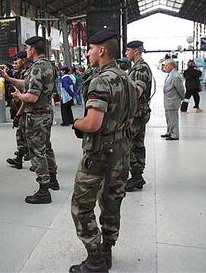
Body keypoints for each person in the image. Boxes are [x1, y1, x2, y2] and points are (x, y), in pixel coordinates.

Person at [70, 29, 137, 273]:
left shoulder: (101, 80)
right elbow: (131, 118)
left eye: (90, 49)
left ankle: (95, 260)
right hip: (121, 150)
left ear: (101, 50)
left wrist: (76, 123)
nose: (87, 53)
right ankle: (107, 251)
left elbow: (92, 124)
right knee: (112, 203)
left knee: (81, 205)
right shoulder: (129, 79)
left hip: (99, 153)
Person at [0, 36, 59, 204]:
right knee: (46, 147)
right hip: (46, 112)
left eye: (27, 48)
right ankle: (53, 179)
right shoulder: (48, 65)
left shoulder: (36, 68)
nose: (25, 51)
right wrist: (10, 79)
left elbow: (31, 96)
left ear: (33, 49)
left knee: (37, 151)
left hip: (36, 115)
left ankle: (43, 190)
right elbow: (28, 83)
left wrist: (19, 95)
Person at [124, 40, 153, 191]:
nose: (126, 53)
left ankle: (136, 175)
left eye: (128, 50)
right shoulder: (136, 67)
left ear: (136, 51)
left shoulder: (140, 68)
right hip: (139, 112)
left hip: (137, 113)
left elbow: (137, 92)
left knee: (128, 144)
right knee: (136, 144)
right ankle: (137, 176)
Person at [6, 51, 30, 169]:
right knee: (24, 135)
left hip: (25, 111)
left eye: (17, 61)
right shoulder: (22, 73)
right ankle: (21, 157)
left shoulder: (27, 73)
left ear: (23, 60)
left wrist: (18, 114)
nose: (15, 64)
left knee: (22, 135)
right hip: (23, 110)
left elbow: (26, 97)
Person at [161, 59, 185, 140]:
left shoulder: (175, 76)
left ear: (172, 65)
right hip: (168, 101)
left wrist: (182, 98)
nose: (165, 67)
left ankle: (174, 134)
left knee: (173, 118)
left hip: (173, 101)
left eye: (167, 65)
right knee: (169, 118)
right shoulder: (170, 75)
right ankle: (169, 132)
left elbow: (181, 89)